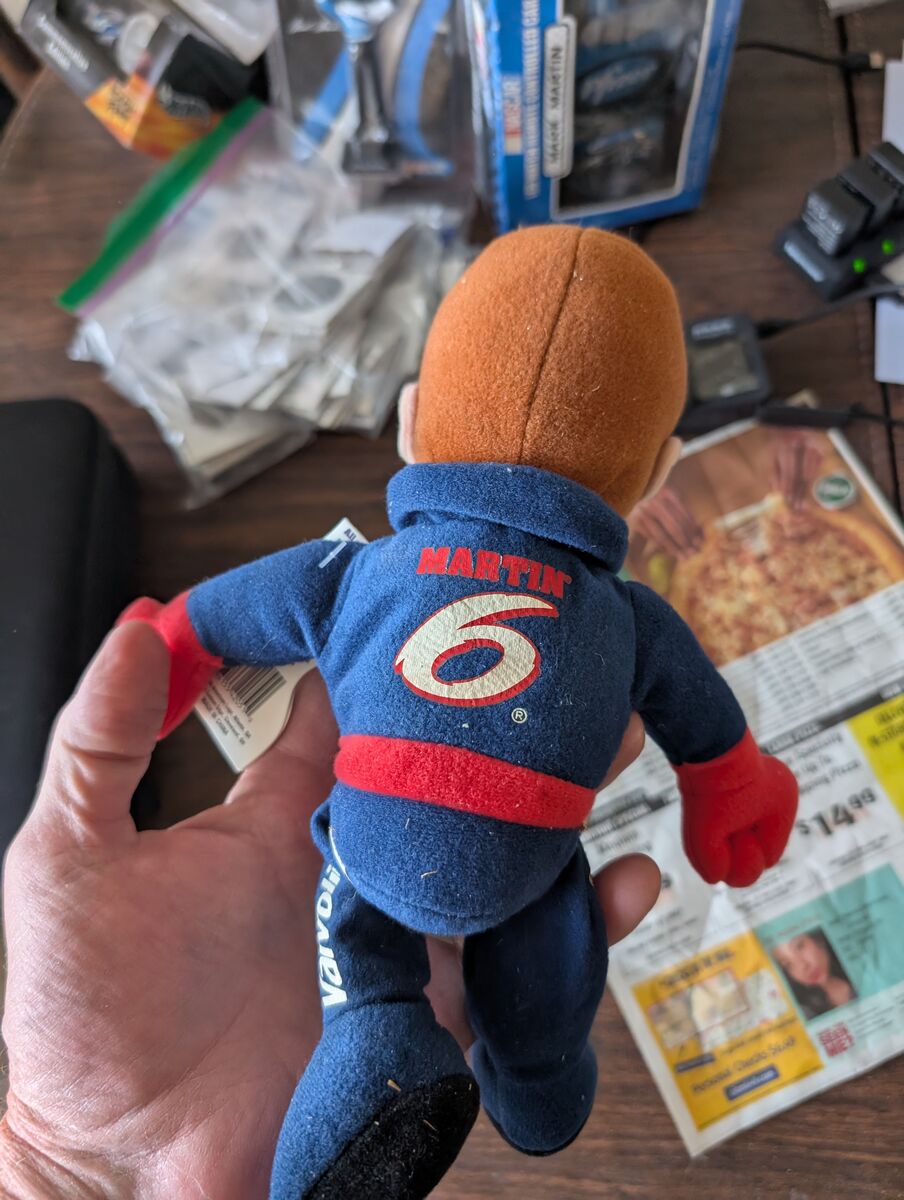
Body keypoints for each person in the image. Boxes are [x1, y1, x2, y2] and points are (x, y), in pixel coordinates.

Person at [0, 621, 661, 1199]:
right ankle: (535, 1079)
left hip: (422, 822)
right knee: (526, 904)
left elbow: (268, 602)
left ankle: (534, 1075)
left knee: (532, 898)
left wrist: (74, 1167)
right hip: (402, 821)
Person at [772, 929, 857, 1021]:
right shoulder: (804, 1013)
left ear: (818, 940)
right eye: (788, 964)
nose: (803, 966)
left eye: (800, 946)